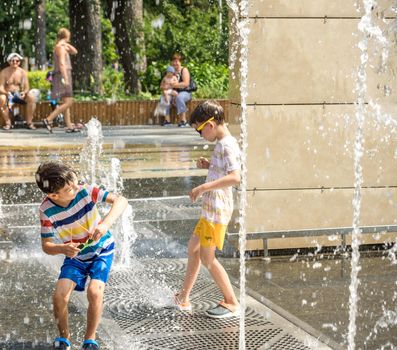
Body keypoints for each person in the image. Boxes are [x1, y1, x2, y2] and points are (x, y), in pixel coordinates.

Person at [35, 161, 128, 350]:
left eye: (75, 182)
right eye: (70, 188)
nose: (76, 188)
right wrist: (62, 248)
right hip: (75, 257)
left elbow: (121, 201)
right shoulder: (46, 210)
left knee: (94, 292)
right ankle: (64, 338)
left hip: (102, 249)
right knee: (59, 296)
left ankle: (90, 339)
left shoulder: (85, 191)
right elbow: (46, 245)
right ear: (54, 195)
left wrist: (105, 224)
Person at [173, 100, 241, 318]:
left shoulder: (226, 145)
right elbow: (223, 170)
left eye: (199, 131)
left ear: (210, 125)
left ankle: (231, 302)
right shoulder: (222, 144)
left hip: (217, 212)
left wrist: (203, 187)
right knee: (193, 249)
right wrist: (209, 166)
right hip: (210, 211)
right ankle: (183, 298)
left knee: (208, 258)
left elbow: (235, 177)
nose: (200, 135)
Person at [42, 28, 79, 133]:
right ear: (67, 36)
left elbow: (75, 51)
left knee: (65, 102)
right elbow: (62, 64)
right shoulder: (61, 48)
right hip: (63, 75)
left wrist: (66, 44)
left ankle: (69, 126)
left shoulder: (61, 46)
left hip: (62, 75)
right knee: (69, 102)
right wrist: (65, 78)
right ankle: (48, 119)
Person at [0, 52, 37, 130]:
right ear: (9, 61)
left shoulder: (22, 72)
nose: (15, 62)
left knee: (31, 97)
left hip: (19, 94)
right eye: (12, 61)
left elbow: (27, 87)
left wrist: (24, 92)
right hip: (8, 95)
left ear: (19, 62)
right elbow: (1, 87)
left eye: (17, 61)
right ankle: (8, 123)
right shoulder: (4, 72)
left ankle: (29, 122)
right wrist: (7, 93)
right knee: (1, 98)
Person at [162, 53, 192, 127]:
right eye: (173, 61)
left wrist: (173, 85)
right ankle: (167, 121)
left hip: (185, 92)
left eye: (176, 61)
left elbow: (186, 83)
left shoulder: (184, 70)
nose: (175, 63)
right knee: (163, 97)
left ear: (180, 62)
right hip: (173, 92)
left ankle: (183, 121)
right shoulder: (170, 72)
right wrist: (168, 90)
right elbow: (163, 85)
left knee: (179, 97)